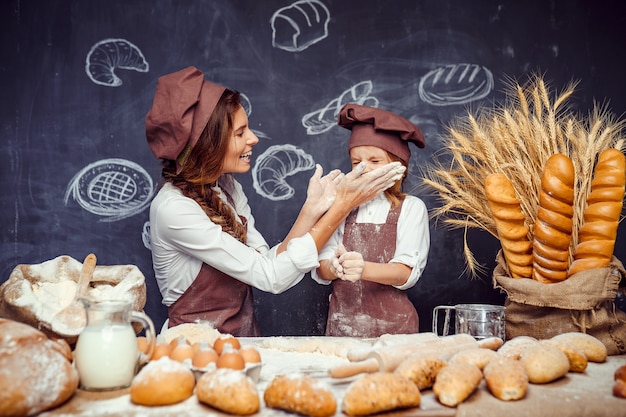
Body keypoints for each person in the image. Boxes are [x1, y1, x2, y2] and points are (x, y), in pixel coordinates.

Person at [145, 66, 406, 337]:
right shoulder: (174, 209)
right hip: (191, 353)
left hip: (242, 345)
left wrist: (312, 209)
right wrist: (343, 206)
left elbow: (269, 260)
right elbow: (270, 277)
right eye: (240, 133)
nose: (253, 138)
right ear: (208, 144)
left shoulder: (227, 187)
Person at [312, 103, 430, 337]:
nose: (364, 169)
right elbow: (322, 270)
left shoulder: (411, 208)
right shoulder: (340, 208)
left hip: (395, 331)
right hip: (341, 328)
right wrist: (334, 268)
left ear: (399, 167)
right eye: (357, 162)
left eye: (375, 161)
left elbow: (405, 273)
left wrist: (362, 268)